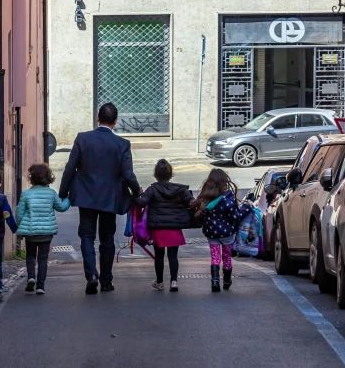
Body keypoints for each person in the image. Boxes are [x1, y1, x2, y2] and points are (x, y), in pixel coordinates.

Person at [59, 102, 140, 294]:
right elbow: (128, 175)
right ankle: (106, 281)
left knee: (86, 235)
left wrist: (63, 194)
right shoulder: (122, 144)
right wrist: (137, 192)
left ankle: (91, 274)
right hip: (110, 198)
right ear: (115, 122)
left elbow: (70, 168)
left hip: (86, 196)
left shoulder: (83, 139)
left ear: (98, 117)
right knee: (107, 239)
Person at [133, 159, 193, 292]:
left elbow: (141, 203)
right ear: (171, 174)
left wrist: (136, 195)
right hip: (174, 227)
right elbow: (190, 202)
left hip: (158, 227)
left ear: (155, 175)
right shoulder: (180, 190)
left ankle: (160, 282)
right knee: (173, 255)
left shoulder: (153, 189)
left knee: (159, 256)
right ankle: (174, 281)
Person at [16, 163, 70, 294]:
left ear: (31, 178)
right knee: (43, 258)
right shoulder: (51, 193)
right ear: (48, 177)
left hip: (30, 231)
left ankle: (31, 277)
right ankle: (40, 286)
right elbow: (61, 207)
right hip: (46, 232)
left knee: (30, 256)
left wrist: (20, 226)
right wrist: (69, 199)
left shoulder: (26, 194)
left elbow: (19, 213)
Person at [194, 168, 246, 293]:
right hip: (227, 233)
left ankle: (215, 281)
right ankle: (227, 281)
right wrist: (246, 209)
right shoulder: (228, 199)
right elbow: (235, 217)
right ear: (224, 182)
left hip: (211, 233)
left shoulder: (205, 199)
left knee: (215, 257)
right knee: (227, 256)